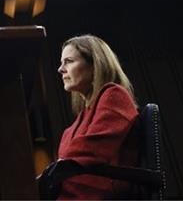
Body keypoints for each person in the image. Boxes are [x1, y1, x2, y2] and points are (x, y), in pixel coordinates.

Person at [39, 34, 139, 200]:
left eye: (69, 61)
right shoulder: (81, 117)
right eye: (61, 62)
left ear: (95, 65)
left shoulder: (114, 95)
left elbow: (89, 151)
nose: (60, 69)